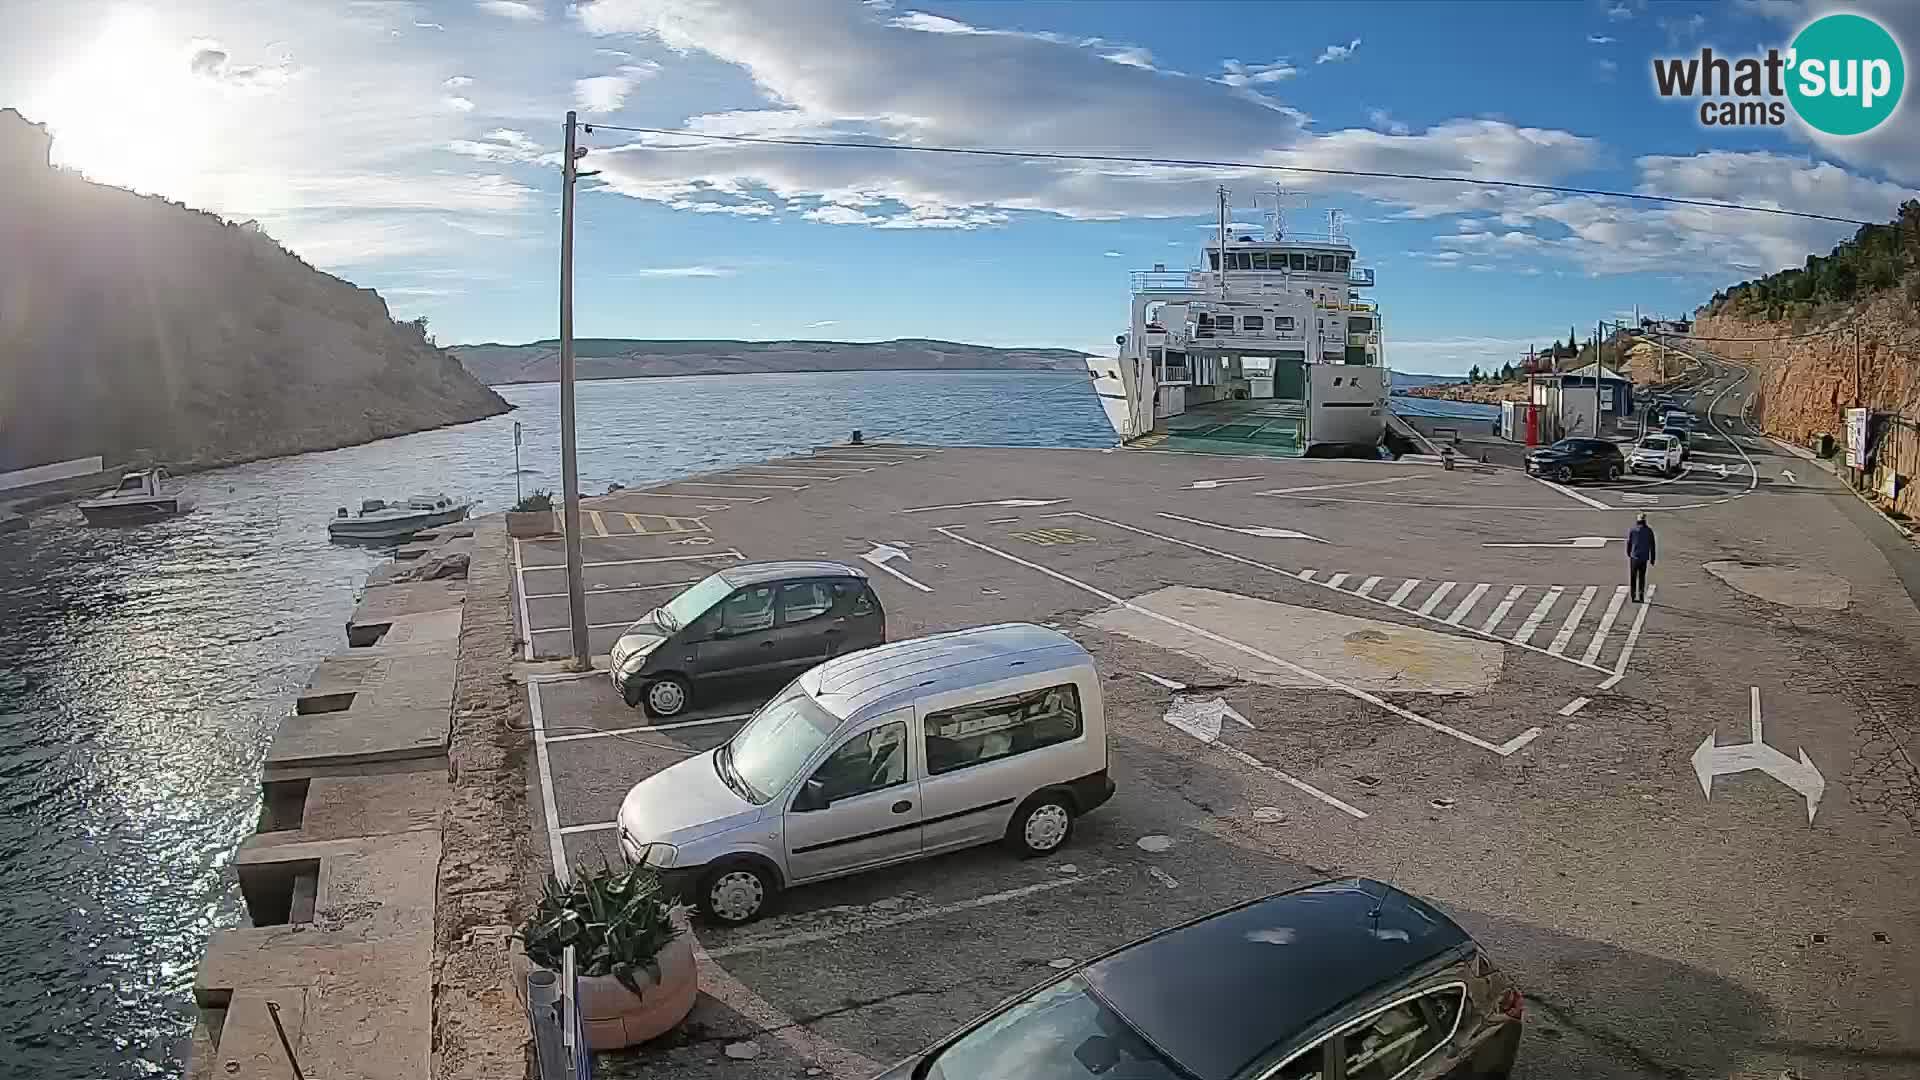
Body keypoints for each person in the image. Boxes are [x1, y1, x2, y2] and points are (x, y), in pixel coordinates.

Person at [1626, 513, 1656, 602]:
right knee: (1642, 577)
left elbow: (1629, 543)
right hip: (1644, 557)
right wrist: (1652, 558)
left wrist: (1628, 553)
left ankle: (1633, 595)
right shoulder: (1649, 531)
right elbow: (1652, 545)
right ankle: (1641, 594)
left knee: (1633, 577)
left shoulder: (1633, 530)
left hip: (1634, 557)